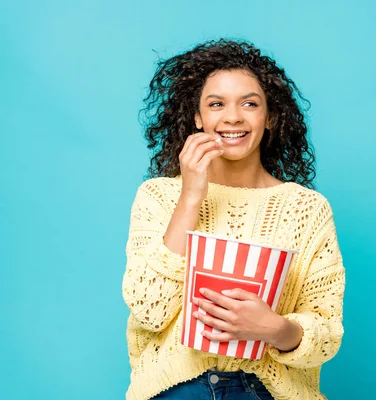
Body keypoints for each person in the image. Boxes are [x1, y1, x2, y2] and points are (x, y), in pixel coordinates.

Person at [122, 39, 346, 400]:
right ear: (198, 117)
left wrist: (274, 328)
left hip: (266, 391)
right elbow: (150, 309)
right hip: (175, 389)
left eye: (250, 104)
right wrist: (191, 195)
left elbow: (327, 332)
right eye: (216, 104)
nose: (232, 117)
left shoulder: (307, 208)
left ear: (270, 116)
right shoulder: (159, 196)